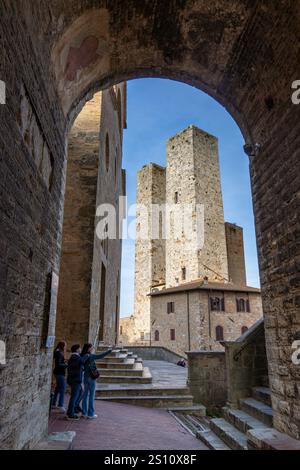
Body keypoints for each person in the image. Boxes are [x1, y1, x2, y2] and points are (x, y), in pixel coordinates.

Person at [81, 343, 112, 419]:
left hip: (85, 377)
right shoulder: (90, 356)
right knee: (91, 396)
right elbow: (101, 356)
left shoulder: (83, 355)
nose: (92, 349)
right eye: (92, 348)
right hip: (91, 378)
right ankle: (90, 414)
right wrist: (110, 350)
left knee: (85, 395)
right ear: (88, 349)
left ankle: (84, 412)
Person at [66, 344, 88, 420]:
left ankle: (75, 408)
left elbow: (78, 366)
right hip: (75, 380)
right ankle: (70, 413)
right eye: (80, 348)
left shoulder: (76, 356)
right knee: (74, 397)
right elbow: (81, 362)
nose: (81, 349)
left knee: (80, 393)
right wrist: (86, 356)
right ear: (77, 349)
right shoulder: (74, 357)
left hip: (76, 379)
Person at [52, 341, 68, 412]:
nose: (66, 347)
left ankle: (53, 403)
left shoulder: (58, 352)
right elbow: (58, 364)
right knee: (63, 389)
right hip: (59, 373)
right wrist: (67, 365)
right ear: (62, 346)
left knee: (58, 388)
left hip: (58, 372)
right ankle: (60, 405)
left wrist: (64, 362)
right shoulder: (59, 353)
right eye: (65, 346)